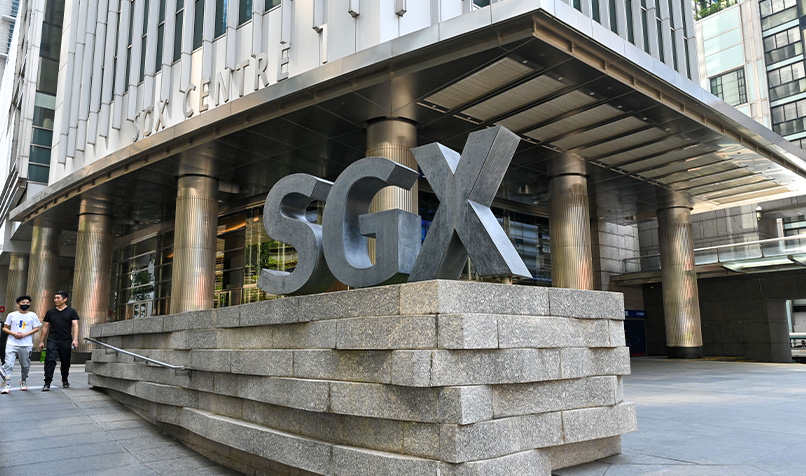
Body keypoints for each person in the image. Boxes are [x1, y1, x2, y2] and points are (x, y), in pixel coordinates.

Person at [38, 291, 79, 391]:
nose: (55, 300)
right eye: (55, 298)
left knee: (65, 361)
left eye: (58, 298)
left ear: (65, 299)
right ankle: (47, 382)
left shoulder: (71, 311)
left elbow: (75, 325)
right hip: (53, 339)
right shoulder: (50, 312)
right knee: (50, 360)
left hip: (66, 340)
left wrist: (75, 339)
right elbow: (45, 327)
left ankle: (65, 378)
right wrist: (41, 341)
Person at [2, 295, 41, 393]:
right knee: (8, 364)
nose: (25, 304)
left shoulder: (32, 315)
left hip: (26, 344)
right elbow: (5, 327)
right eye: (23, 303)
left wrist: (25, 334)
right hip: (12, 343)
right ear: (18, 304)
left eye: (27, 303)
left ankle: (23, 380)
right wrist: (13, 333)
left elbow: (37, 328)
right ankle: (7, 384)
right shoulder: (12, 315)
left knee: (25, 365)